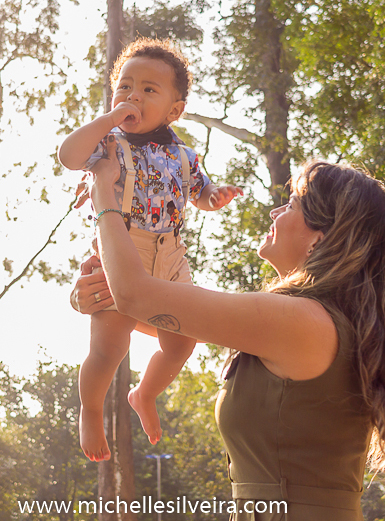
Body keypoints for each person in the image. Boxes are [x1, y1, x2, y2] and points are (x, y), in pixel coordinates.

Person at [73, 152, 385, 520]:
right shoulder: (311, 322)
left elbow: (137, 294)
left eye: (291, 204)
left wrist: (104, 194)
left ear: (319, 239)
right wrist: (102, 299)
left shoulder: (299, 320)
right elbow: (148, 309)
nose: (276, 213)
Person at [58, 37, 243, 462]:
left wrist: (216, 197)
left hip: (172, 255)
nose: (132, 96)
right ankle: (90, 409)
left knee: (183, 341)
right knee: (110, 345)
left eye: (148, 89)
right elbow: (69, 156)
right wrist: (108, 119)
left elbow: (198, 193)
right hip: (124, 249)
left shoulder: (184, 155)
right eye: (124, 87)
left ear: (174, 111)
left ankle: (144, 393)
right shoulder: (108, 144)